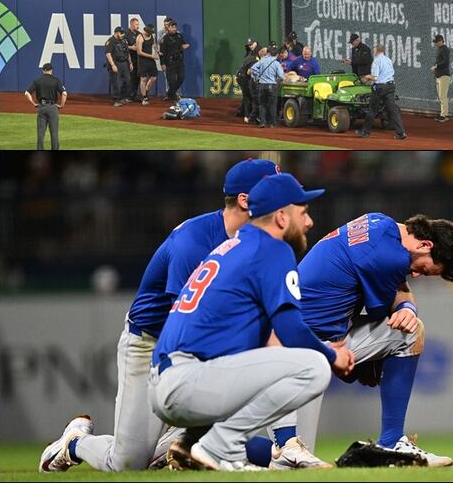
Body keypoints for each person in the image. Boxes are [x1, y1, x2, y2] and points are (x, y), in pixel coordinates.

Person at [39, 160, 285, 473]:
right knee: (126, 464)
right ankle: (73, 442)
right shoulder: (193, 243)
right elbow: (186, 329)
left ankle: (183, 439)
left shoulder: (260, 243)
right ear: (245, 200)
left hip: (202, 347)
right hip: (151, 343)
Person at [147, 173, 352, 472]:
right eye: (303, 212)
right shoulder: (272, 248)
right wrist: (333, 355)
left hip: (169, 382)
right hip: (187, 381)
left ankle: (194, 442)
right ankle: (220, 447)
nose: (308, 222)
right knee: (315, 367)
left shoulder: (237, 246)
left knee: (272, 355)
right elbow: (291, 330)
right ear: (281, 217)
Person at [265, 212, 453, 468]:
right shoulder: (388, 258)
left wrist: (407, 308)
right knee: (409, 331)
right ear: (425, 245)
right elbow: (396, 299)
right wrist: (367, 364)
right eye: (424, 270)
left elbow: (400, 293)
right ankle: (391, 443)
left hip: (305, 336)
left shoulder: (380, 223)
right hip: (301, 347)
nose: (415, 275)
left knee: (294, 457)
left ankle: (221, 452)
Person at [357, 45, 406, 139]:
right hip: (391, 86)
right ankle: (401, 133)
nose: (373, 52)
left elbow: (375, 77)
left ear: (377, 51)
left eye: (374, 50)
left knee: (372, 110)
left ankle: (365, 132)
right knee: (393, 110)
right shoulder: (388, 60)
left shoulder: (376, 61)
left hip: (380, 87)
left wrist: (367, 77)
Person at [24, 63, 66, 150]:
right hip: (53, 107)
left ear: (43, 70)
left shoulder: (37, 80)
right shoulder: (56, 80)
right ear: (51, 70)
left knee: (40, 133)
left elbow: (27, 93)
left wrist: (33, 103)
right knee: (54, 133)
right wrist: (61, 105)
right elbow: (64, 94)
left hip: (41, 108)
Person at [251, 46, 286, 128]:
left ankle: (262, 122)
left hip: (262, 85)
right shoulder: (277, 63)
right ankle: (273, 123)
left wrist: (257, 77)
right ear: (277, 54)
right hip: (272, 86)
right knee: (272, 105)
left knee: (262, 104)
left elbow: (253, 69)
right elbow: (281, 76)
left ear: (268, 53)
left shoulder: (262, 60)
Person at [159, 18, 190, 102]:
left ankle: (170, 94)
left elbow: (183, 44)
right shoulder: (164, 39)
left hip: (179, 61)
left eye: (175, 27)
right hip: (170, 62)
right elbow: (161, 53)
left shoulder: (179, 36)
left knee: (181, 77)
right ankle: (173, 96)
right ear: (168, 28)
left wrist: (185, 46)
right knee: (171, 81)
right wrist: (162, 64)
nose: (174, 29)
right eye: (172, 27)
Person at [104, 27, 133, 105]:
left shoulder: (123, 41)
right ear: (117, 33)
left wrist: (130, 63)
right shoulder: (110, 41)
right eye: (121, 33)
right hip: (116, 63)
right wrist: (113, 65)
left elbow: (127, 52)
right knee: (116, 82)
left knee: (127, 80)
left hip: (124, 63)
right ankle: (116, 100)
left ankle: (124, 97)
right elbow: (108, 54)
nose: (123, 35)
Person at [237, 38, 260, 124]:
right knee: (248, 97)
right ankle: (248, 116)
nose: (250, 46)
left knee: (251, 97)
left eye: (251, 44)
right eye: (249, 45)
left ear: (256, 43)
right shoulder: (251, 54)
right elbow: (249, 71)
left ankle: (250, 115)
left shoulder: (256, 52)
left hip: (246, 77)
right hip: (244, 77)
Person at [136, 24, 159, 105]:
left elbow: (153, 44)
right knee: (143, 79)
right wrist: (152, 56)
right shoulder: (140, 37)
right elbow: (139, 52)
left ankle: (145, 91)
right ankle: (144, 97)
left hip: (150, 60)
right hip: (142, 61)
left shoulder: (152, 36)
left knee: (153, 78)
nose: (151, 33)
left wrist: (157, 51)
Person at [431, 34, 451, 121]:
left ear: (440, 41)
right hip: (439, 75)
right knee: (441, 96)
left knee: (442, 96)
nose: (435, 43)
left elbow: (446, 62)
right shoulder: (440, 49)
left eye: (436, 42)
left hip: (444, 75)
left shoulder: (445, 49)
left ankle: (444, 115)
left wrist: (436, 66)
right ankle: (443, 114)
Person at [126, 17, 142, 100]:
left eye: (138, 24)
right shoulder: (125, 34)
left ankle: (134, 95)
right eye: (136, 24)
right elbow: (122, 45)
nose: (138, 26)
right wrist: (131, 47)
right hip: (128, 59)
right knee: (129, 78)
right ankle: (127, 95)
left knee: (137, 77)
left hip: (137, 59)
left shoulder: (139, 34)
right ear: (131, 24)